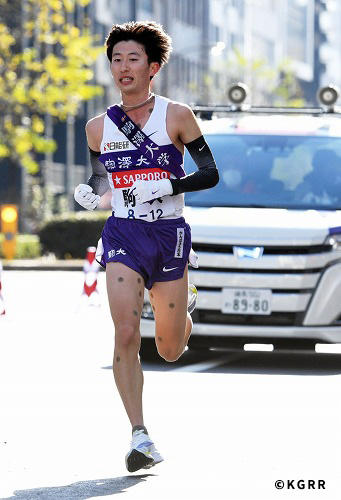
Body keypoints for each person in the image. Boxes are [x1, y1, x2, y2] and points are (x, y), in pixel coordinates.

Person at [74, 21, 219, 473]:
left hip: (169, 234)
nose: (123, 67)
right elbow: (105, 180)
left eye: (133, 59)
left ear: (153, 67)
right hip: (122, 234)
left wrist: (168, 183)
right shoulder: (98, 127)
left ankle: (183, 307)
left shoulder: (176, 115)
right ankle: (140, 435)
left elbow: (210, 172)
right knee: (124, 331)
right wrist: (89, 193)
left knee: (171, 348)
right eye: (116, 59)